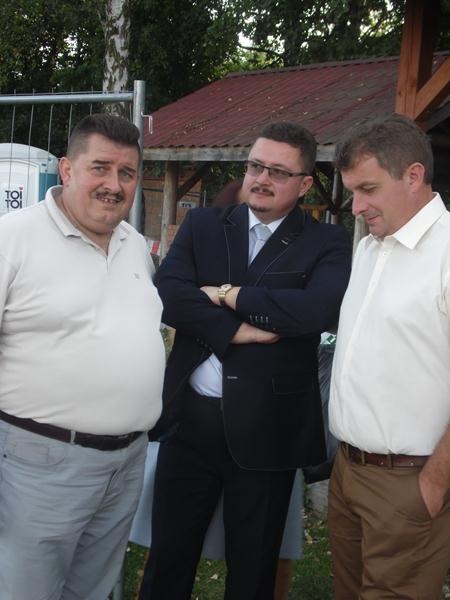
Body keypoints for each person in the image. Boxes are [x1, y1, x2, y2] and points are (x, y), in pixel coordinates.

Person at [139, 121, 352, 599]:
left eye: (278, 171)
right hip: (189, 427)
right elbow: (169, 295)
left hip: (269, 432)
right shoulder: (204, 225)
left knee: (253, 572)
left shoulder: (327, 243)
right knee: (168, 562)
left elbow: (315, 311)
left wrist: (225, 295)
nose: (262, 178)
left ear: (304, 183)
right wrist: (238, 330)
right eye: (256, 166)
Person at [0, 113, 165, 600]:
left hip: (126, 463)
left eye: (127, 172)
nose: (114, 185)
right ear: (67, 169)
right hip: (39, 462)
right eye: (100, 168)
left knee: (93, 591)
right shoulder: (12, 238)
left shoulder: (134, 246)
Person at [328, 114, 450, 600]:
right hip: (348, 471)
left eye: (368, 189)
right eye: (352, 191)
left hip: (410, 481)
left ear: (414, 176)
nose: (356, 206)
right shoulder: (370, 248)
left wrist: (435, 481)